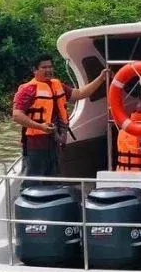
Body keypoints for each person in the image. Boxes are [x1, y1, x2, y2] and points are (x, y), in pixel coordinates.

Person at [12, 55, 109, 186]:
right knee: (33, 180)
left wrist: (101, 78)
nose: (49, 70)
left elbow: (80, 94)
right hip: (35, 144)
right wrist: (40, 127)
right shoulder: (28, 89)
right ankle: (29, 203)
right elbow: (17, 115)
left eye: (50, 66)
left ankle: (49, 202)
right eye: (44, 67)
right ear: (35, 70)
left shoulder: (58, 85)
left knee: (52, 179)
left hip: (55, 143)